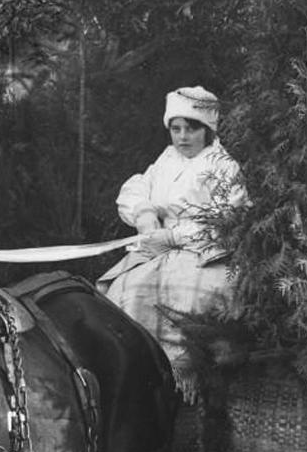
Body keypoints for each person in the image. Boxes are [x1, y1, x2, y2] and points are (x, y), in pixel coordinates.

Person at [100, 86, 244, 398]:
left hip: (204, 251)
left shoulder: (222, 165)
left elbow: (227, 219)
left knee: (192, 300)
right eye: (175, 129)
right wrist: (145, 214)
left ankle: (187, 382)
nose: (182, 137)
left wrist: (175, 235)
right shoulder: (167, 159)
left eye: (191, 129)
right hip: (159, 248)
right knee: (126, 292)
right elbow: (137, 187)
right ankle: (139, 379)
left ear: (207, 129)